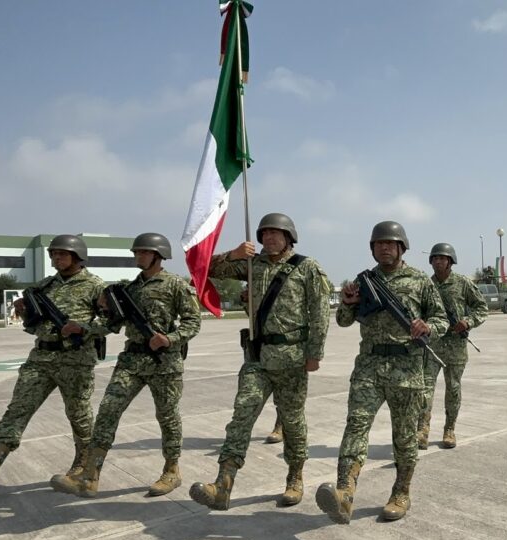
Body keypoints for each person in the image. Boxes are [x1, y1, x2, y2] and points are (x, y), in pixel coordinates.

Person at [190, 213, 331, 510]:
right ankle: (222, 485)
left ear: (289, 237)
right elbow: (203, 267)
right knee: (242, 415)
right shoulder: (251, 266)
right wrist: (233, 253)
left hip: (292, 360)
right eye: (264, 233)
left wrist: (314, 353)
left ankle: (295, 477)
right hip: (256, 358)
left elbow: (319, 313)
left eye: (275, 233)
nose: (268, 238)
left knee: (292, 422)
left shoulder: (306, 267)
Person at [0, 235, 106, 493]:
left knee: (79, 416)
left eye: (62, 254)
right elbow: (35, 326)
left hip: (75, 361)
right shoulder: (44, 286)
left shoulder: (95, 286)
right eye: (53, 254)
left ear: (77, 256)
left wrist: (83, 327)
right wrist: (27, 312)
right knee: (17, 410)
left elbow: (111, 322)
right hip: (41, 359)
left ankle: (85, 472)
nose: (56, 258)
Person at [50, 233, 201, 497]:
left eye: (143, 252)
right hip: (131, 360)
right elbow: (112, 325)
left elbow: (193, 322)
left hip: (164, 362)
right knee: (108, 411)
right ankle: (89, 476)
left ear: (158, 255)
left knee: (167, 416)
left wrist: (169, 338)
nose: (138, 257)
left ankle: (171, 470)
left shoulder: (176, 285)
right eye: (136, 253)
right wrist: (89, 322)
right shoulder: (129, 289)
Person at [316, 221, 447, 524]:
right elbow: (345, 320)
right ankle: (344, 493)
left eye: (390, 243)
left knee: (404, 437)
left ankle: (401, 492)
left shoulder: (420, 281)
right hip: (369, 367)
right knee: (356, 427)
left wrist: (427, 326)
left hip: (407, 369)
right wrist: (348, 303)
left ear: (402, 247)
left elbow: (440, 318)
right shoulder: (364, 282)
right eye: (379, 244)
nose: (384, 247)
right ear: (372, 248)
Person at [418, 242, 488, 450]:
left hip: (456, 347)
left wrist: (468, 322)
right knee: (424, 388)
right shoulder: (426, 284)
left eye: (442, 258)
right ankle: (422, 430)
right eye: (435, 258)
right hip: (432, 346)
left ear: (450, 261)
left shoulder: (463, 283)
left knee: (453, 389)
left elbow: (481, 307)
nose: (438, 261)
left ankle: (450, 429)